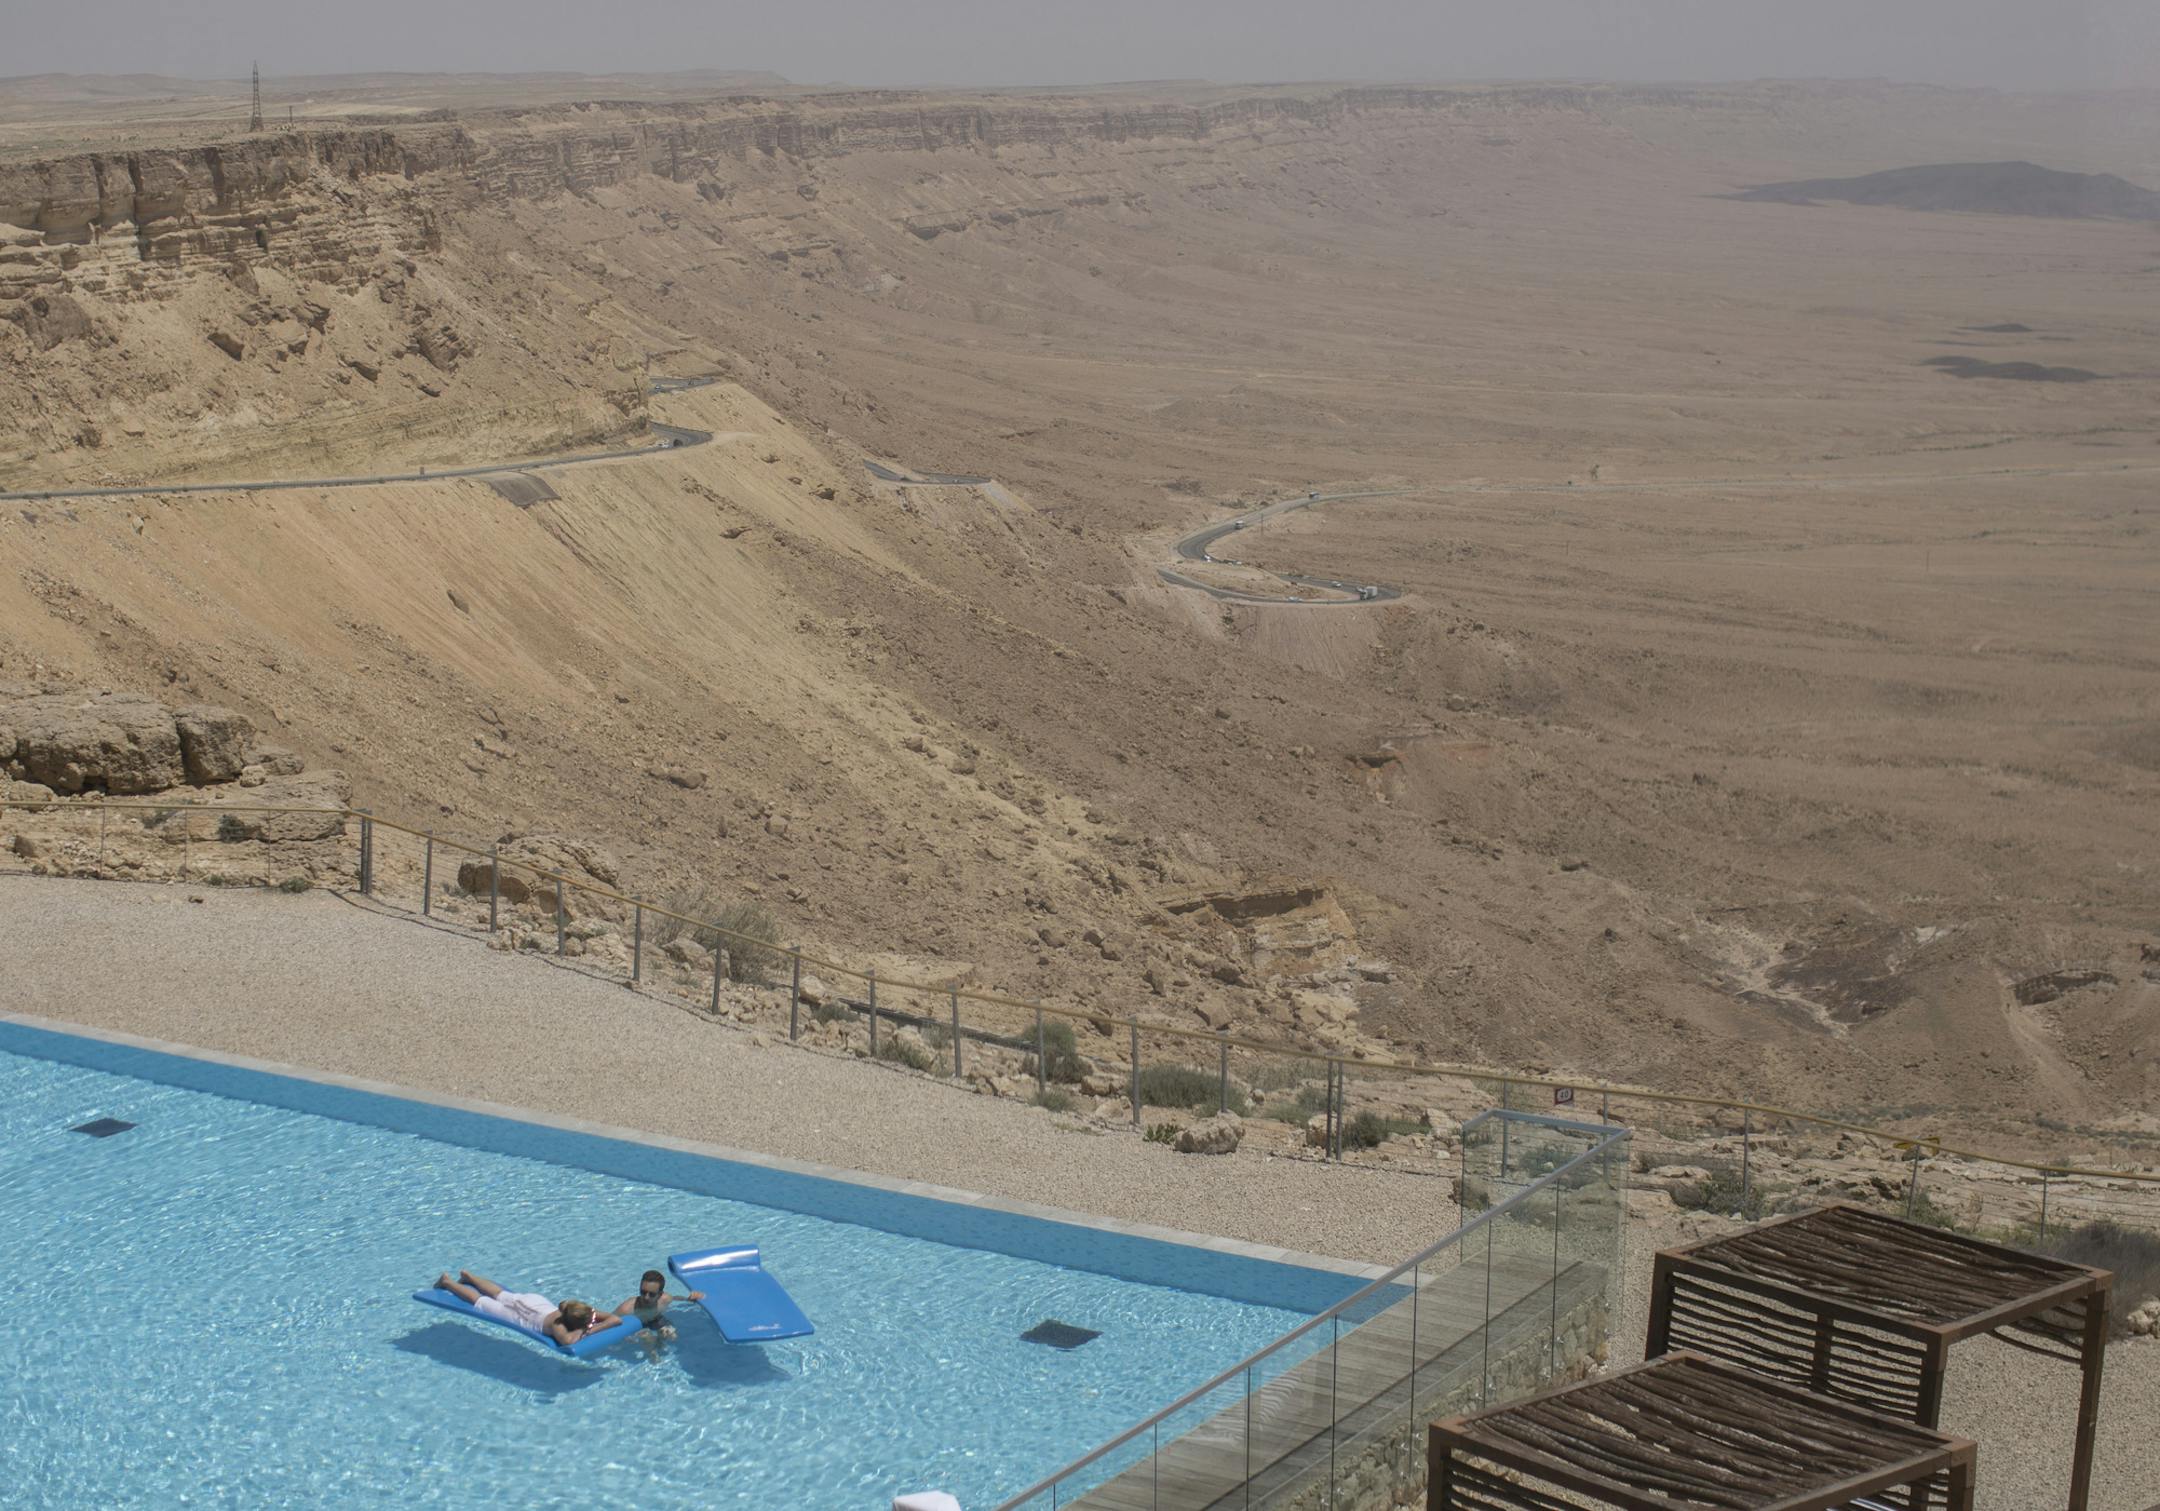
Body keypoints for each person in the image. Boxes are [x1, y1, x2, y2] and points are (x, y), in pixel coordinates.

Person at [434, 1269, 623, 1348]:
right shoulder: (559, 1326)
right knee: (481, 1302)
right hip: (524, 1316)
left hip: (533, 1302)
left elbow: (616, 1319)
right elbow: (568, 1342)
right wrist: (590, 1329)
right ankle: (448, 1283)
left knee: (501, 1294)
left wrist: (591, 1323)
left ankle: (469, 1277)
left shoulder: (576, 1309)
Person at [617, 1269, 706, 1339]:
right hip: (638, 1326)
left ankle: (660, 1343)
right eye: (643, 1292)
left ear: (660, 1294)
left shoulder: (665, 1299)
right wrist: (626, 1337)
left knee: (673, 1337)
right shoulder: (627, 1308)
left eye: (652, 1294)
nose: (646, 1297)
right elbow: (609, 1321)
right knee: (647, 1339)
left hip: (656, 1319)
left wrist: (688, 1299)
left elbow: (675, 1298)